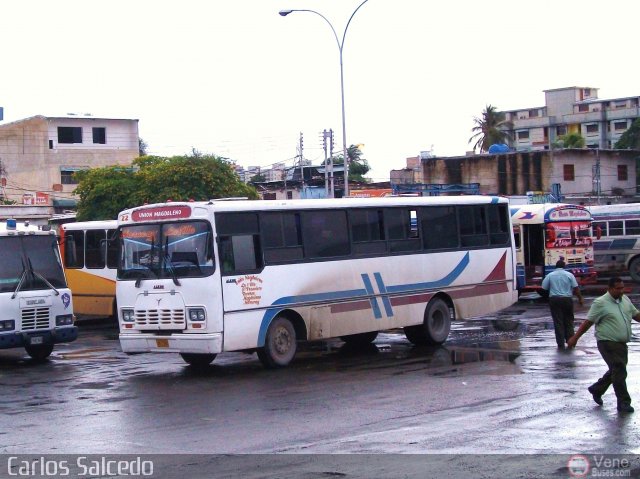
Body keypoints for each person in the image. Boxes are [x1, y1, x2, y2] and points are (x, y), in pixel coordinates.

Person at [567, 277, 640, 413]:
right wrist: (575, 338)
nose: (621, 291)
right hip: (607, 342)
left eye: (622, 288)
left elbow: (636, 315)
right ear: (610, 289)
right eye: (618, 288)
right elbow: (588, 322)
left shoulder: (625, 300)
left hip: (621, 343)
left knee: (616, 369)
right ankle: (623, 403)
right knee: (619, 369)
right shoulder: (600, 302)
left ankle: (597, 389)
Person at [541, 259, 584, 349]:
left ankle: (560, 343)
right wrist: (580, 299)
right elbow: (576, 288)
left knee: (558, 321)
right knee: (569, 321)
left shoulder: (550, 275)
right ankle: (570, 341)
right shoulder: (569, 275)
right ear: (564, 267)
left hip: (555, 299)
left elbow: (544, 287)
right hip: (567, 299)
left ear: (555, 266)